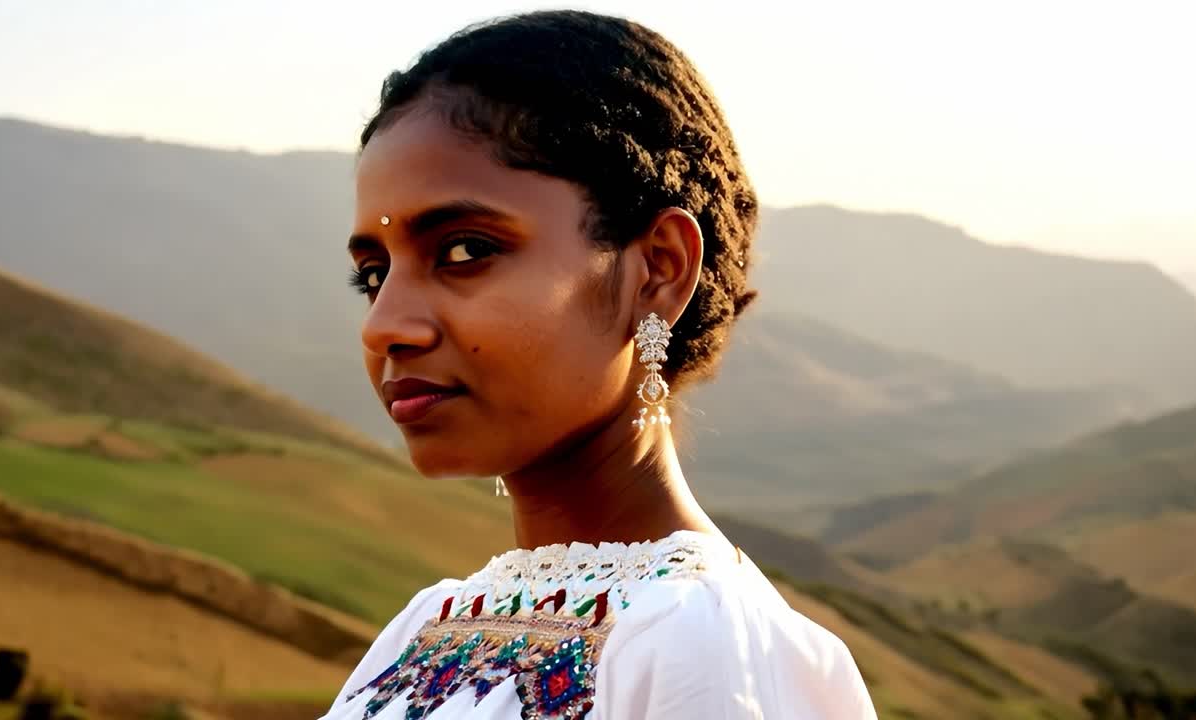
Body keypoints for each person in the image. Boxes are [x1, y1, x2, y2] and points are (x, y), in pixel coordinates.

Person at [324, 10, 877, 720]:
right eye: (373, 276)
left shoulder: (695, 641)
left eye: (464, 251)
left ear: (659, 270)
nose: (385, 326)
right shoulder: (425, 628)